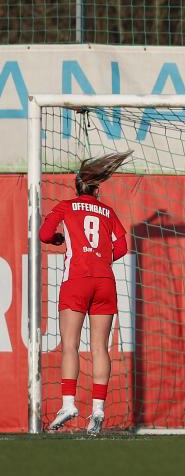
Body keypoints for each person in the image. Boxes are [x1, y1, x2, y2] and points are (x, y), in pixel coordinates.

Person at [40, 151, 132, 436]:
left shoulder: (66, 206)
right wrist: (101, 258)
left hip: (77, 279)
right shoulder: (107, 211)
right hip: (104, 281)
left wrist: (59, 239)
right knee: (100, 347)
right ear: (97, 188)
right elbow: (122, 246)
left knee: (70, 345)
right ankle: (99, 409)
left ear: (76, 186)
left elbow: (44, 234)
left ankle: (68, 404)